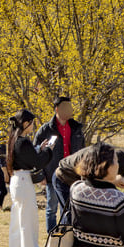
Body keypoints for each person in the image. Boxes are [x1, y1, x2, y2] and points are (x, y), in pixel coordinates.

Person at [6, 109, 52, 247]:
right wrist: (48, 151)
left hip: (16, 180)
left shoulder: (14, 139)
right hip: (24, 181)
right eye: (32, 123)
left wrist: (39, 148)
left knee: (17, 220)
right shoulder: (23, 141)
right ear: (26, 123)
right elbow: (36, 162)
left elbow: (28, 156)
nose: (33, 126)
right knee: (28, 221)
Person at [35, 96, 85, 232]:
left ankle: (66, 231)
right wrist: (41, 176)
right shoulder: (45, 130)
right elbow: (37, 154)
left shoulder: (76, 128)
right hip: (52, 173)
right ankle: (52, 233)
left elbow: (83, 151)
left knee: (69, 206)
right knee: (52, 207)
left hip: (73, 173)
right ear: (57, 109)